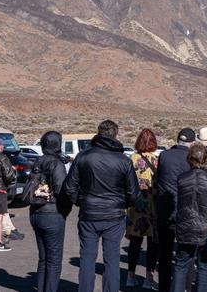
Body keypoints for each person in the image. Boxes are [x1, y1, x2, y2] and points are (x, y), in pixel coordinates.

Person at [65, 120, 140, 292]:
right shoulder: (123, 160)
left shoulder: (83, 156)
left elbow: (69, 187)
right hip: (113, 216)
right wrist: (121, 204)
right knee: (112, 259)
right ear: (115, 135)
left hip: (89, 214)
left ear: (98, 133)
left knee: (87, 258)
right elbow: (134, 194)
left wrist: (82, 202)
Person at [171, 142, 207, 292]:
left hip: (185, 227)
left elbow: (176, 203)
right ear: (206, 158)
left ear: (189, 158)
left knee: (181, 266)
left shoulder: (181, 178)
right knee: (204, 268)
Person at [30, 131, 72, 292]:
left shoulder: (37, 162)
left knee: (43, 258)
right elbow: (62, 191)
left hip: (36, 212)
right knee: (54, 260)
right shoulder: (56, 164)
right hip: (52, 214)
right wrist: (66, 210)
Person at [155, 128, 195, 292]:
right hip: (185, 210)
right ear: (192, 142)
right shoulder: (191, 158)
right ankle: (185, 287)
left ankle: (164, 287)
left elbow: (158, 177)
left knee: (164, 253)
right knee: (186, 253)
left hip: (165, 208)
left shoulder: (164, 155)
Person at [126, 129, 160, 290]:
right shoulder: (157, 161)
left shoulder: (131, 159)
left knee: (135, 242)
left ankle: (130, 277)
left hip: (136, 205)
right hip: (152, 206)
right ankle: (149, 278)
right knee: (152, 243)